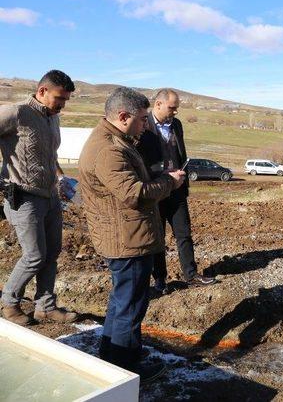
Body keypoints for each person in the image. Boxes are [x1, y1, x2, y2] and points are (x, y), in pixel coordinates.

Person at [78, 87, 185, 381]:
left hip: (126, 236)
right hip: (128, 240)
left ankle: (114, 356)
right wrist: (169, 183)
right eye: (141, 119)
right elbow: (135, 195)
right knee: (130, 305)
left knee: (122, 300)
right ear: (123, 117)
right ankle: (125, 369)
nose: (146, 125)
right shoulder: (110, 149)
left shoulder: (114, 140)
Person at [0, 70, 79, 326]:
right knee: (34, 255)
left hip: (50, 196)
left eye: (66, 100)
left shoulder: (52, 118)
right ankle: (10, 304)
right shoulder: (17, 112)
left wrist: (61, 178)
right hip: (23, 197)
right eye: (59, 98)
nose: (62, 105)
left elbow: (50, 156)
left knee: (51, 253)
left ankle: (45, 307)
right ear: (42, 91)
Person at [137, 89, 216, 294]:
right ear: (158, 104)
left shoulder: (177, 125)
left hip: (177, 190)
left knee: (184, 233)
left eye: (176, 108)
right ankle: (160, 280)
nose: (175, 112)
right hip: (156, 190)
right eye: (172, 108)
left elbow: (181, 153)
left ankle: (191, 274)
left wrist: (183, 180)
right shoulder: (143, 125)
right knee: (158, 238)